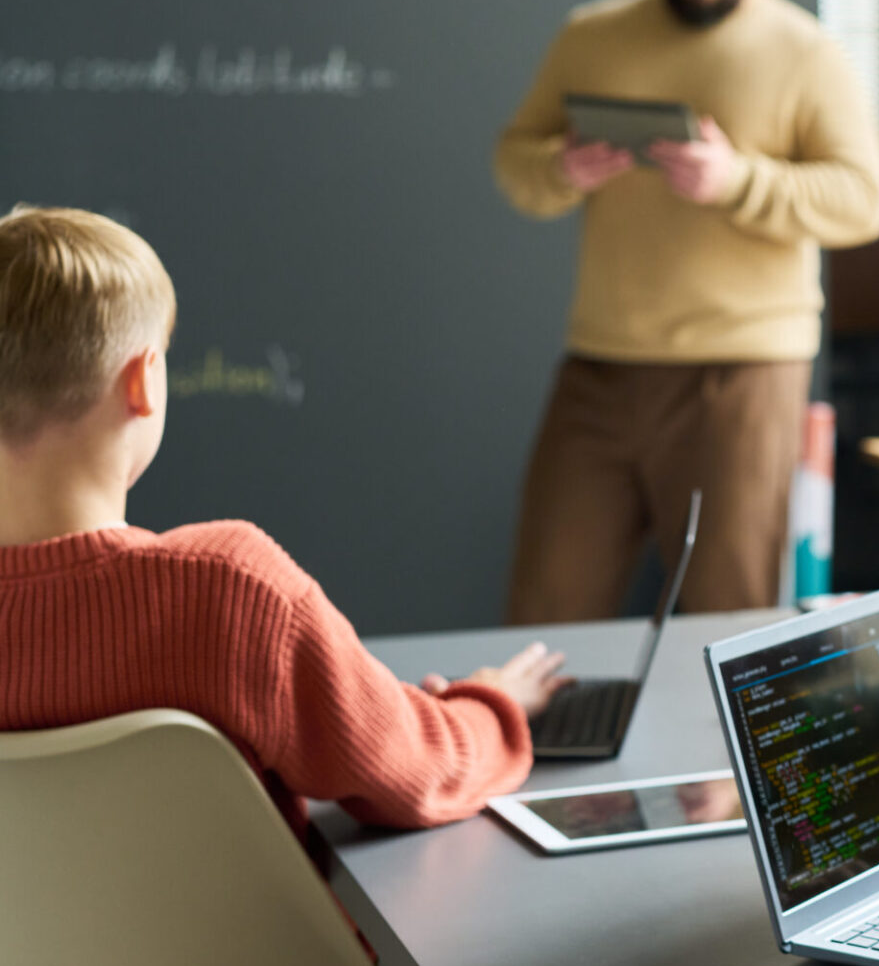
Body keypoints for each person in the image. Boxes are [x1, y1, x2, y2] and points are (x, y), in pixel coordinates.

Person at [0, 205, 569, 841]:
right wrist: (492, 704)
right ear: (144, 382)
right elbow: (420, 772)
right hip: (249, 946)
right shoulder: (228, 590)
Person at [494, 0, 879, 623]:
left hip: (744, 373)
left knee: (727, 610)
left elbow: (865, 199)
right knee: (546, 608)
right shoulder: (590, 35)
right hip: (602, 363)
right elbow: (515, 160)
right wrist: (563, 168)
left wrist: (737, 180)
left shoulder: (807, 51)